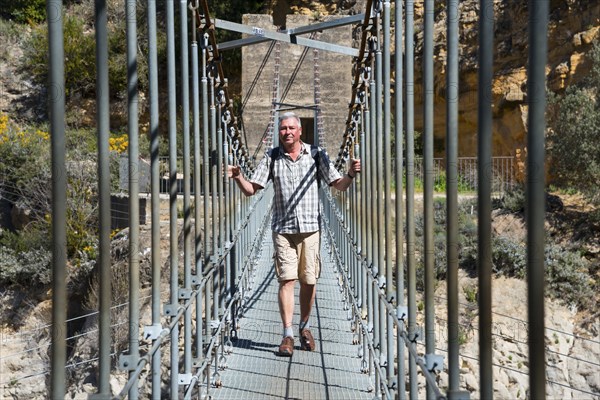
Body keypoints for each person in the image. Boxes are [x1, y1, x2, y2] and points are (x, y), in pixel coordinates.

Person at [227, 112, 361, 357]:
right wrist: (238, 176)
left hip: (310, 228)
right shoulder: (271, 157)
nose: (287, 132)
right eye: (283, 129)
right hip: (283, 229)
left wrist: (350, 174)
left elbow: (338, 185)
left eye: (291, 128)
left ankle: (304, 327)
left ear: (300, 131)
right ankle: (287, 334)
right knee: (287, 280)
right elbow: (250, 190)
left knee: (309, 281)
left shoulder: (317, 154)